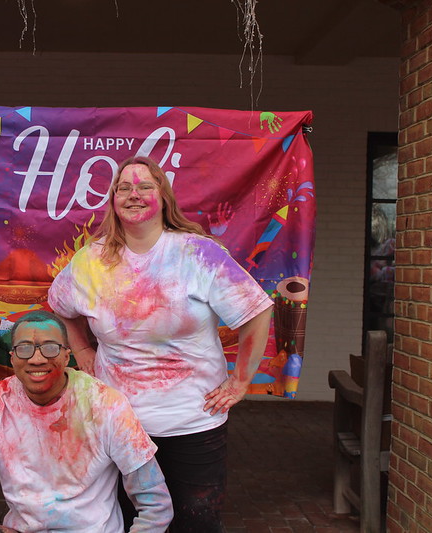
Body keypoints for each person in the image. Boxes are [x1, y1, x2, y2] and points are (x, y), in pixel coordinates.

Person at [47, 156, 273, 532]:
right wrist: (84, 351)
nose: (133, 194)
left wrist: (240, 381)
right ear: (113, 199)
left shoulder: (197, 253)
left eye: (144, 186)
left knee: (195, 523)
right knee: (126, 522)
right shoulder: (90, 261)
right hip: (117, 424)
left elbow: (256, 311)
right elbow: (61, 307)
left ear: (163, 197)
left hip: (193, 423)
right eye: (124, 187)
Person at [0, 310, 173, 533]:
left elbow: (155, 502)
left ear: (68, 355)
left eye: (50, 348)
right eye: (25, 348)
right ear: (12, 357)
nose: (37, 360)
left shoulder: (105, 404)